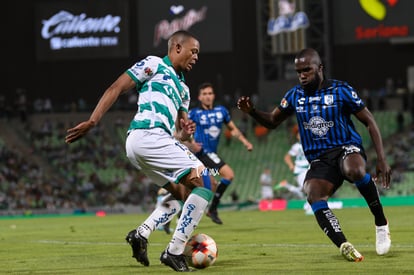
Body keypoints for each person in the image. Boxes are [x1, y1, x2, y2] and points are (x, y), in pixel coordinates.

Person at [65, 30, 213, 272]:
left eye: (198, 53)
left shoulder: (184, 90)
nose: (196, 57)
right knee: (206, 182)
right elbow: (116, 87)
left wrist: (186, 132)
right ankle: (174, 251)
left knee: (183, 193)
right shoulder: (154, 64)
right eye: (193, 51)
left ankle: (141, 234)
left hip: (148, 142)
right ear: (177, 47)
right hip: (146, 134)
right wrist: (92, 121)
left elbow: (181, 131)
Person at [237, 48, 392, 262]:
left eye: (307, 70)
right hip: (319, 159)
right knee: (312, 193)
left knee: (355, 170)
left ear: (320, 68)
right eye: (298, 71)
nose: (302, 75)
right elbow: (272, 121)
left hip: (346, 148)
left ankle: (381, 222)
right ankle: (344, 244)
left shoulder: (341, 90)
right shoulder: (294, 96)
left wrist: (382, 160)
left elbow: (369, 121)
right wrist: (252, 112)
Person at [185, 82, 253, 224]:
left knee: (211, 185)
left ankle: (180, 210)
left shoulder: (221, 111)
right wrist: (190, 143)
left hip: (211, 156)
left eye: (210, 93)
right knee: (229, 174)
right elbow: (182, 130)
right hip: (202, 153)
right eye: (205, 94)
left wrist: (245, 141)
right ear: (199, 97)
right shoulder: (194, 113)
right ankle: (212, 209)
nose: (208, 96)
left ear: (214, 95)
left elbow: (233, 128)